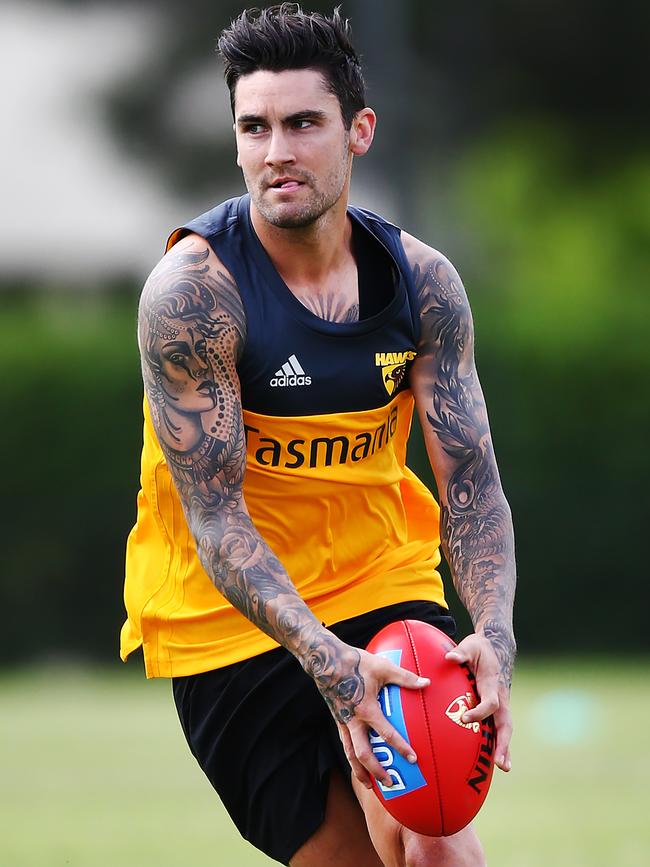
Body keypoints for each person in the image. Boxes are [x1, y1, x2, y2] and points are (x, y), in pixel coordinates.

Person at [121, 5, 517, 865]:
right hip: (232, 622)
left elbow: (472, 480)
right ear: (234, 141)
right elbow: (219, 522)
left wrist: (494, 629)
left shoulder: (423, 285)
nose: (277, 152)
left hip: (380, 577)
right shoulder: (193, 296)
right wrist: (328, 665)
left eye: (303, 123)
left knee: (443, 842)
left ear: (358, 131)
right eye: (254, 127)